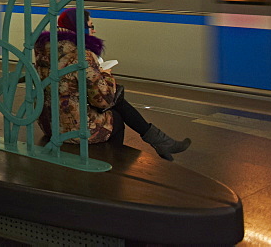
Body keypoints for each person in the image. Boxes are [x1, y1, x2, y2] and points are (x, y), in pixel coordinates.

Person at [35, 8, 191, 160]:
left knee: (118, 101)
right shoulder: (81, 55)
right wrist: (105, 74)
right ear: (79, 28)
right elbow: (103, 100)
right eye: (91, 26)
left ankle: (160, 141)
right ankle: (113, 165)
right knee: (116, 116)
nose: (94, 31)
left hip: (48, 123)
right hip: (70, 129)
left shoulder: (45, 50)